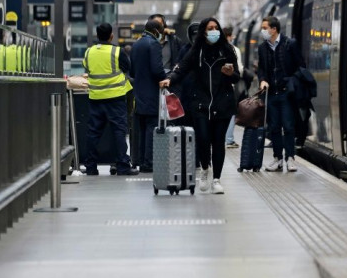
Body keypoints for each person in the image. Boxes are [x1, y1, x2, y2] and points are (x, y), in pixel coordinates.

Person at [161, 17, 239, 194]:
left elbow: (237, 77)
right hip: (200, 102)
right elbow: (181, 69)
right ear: (203, 32)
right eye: (210, 28)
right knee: (203, 139)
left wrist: (230, 73)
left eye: (216, 28)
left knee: (218, 142)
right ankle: (205, 168)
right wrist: (169, 79)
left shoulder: (227, 50)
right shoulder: (196, 51)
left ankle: (217, 179)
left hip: (222, 102)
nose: (214, 31)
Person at [82, 23, 139, 176]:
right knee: (119, 132)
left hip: (96, 97)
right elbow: (127, 67)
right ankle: (122, 166)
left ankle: (90, 167)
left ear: (97, 36)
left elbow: (87, 68)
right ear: (111, 35)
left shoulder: (89, 52)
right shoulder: (116, 51)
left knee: (93, 133)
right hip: (115, 97)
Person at [258, 16, 305, 172]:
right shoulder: (262, 48)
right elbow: (262, 70)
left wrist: (292, 81)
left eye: (265, 28)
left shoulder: (289, 44)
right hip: (271, 93)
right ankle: (277, 158)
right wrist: (262, 80)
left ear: (274, 29)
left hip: (286, 93)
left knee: (289, 126)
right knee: (274, 127)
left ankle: (290, 158)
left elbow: (301, 67)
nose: (263, 31)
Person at [130, 19, 167, 173]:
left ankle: (141, 160)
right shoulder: (154, 44)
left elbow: (132, 71)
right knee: (152, 127)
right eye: (162, 31)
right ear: (156, 31)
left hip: (138, 92)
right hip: (151, 92)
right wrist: (165, 77)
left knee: (143, 128)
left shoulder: (136, 44)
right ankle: (149, 162)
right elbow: (157, 69)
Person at [223, 26, 243, 149]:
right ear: (229, 36)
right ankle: (229, 139)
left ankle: (221, 138)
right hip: (230, 86)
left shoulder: (214, 49)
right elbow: (239, 69)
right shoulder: (234, 49)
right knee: (231, 112)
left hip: (217, 87)